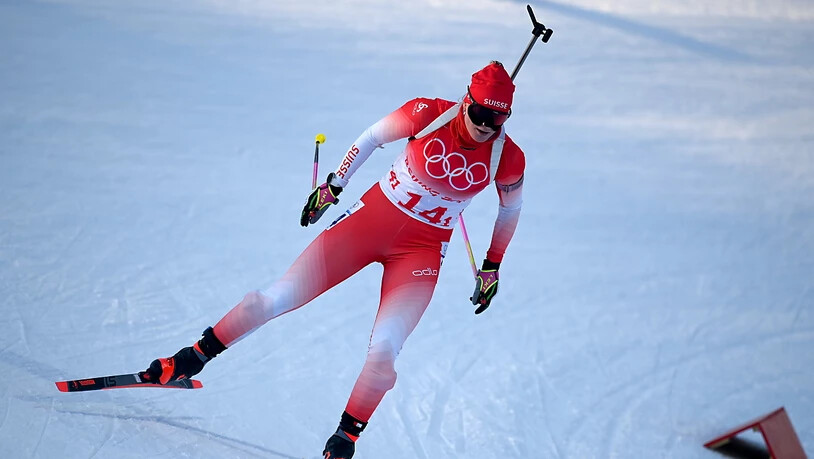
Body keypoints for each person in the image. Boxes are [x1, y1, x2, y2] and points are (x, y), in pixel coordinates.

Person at [142, 61, 526, 459]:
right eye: (481, 113)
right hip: (365, 225)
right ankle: (188, 360)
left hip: (421, 252)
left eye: (498, 118)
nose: (486, 125)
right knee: (271, 300)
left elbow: (510, 211)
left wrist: (492, 264)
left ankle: (343, 443)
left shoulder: (508, 157)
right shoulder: (427, 113)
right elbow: (372, 138)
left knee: (383, 357)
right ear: (467, 101)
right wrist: (333, 186)